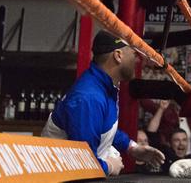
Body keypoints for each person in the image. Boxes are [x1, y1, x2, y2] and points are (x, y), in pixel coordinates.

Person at [41, 30, 165, 176]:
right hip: (59, 176)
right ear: (118, 56)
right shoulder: (89, 98)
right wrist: (109, 166)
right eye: (134, 54)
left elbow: (102, 127)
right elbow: (82, 162)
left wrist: (132, 147)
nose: (137, 60)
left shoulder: (104, 87)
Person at [146, 99, 191, 174]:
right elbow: (151, 133)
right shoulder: (164, 156)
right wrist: (161, 109)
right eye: (177, 140)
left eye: (184, 140)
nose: (181, 143)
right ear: (170, 143)